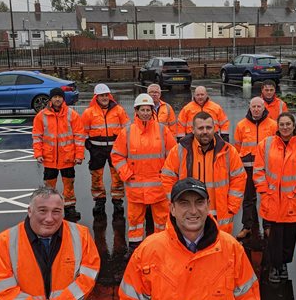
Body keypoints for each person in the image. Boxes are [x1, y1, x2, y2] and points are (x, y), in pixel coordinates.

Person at [119, 177, 260, 300]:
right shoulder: (148, 251)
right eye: (184, 203)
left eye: (199, 202)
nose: (193, 211)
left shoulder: (231, 250)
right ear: (172, 209)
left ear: (208, 205)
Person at [0, 187, 100, 300]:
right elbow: (4, 287)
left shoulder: (81, 235)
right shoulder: (5, 241)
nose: (49, 218)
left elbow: (88, 276)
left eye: (56, 211)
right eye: (43, 211)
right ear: (29, 211)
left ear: (63, 212)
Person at [254, 112, 296, 283]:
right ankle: (275, 266)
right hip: (271, 199)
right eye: (282, 124)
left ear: (294, 125)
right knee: (273, 236)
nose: (285, 127)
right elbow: (258, 170)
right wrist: (264, 190)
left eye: (288, 124)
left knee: (288, 237)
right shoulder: (266, 145)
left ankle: (284, 264)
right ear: (277, 126)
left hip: (292, 201)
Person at [111, 93, 176, 253]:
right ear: (137, 111)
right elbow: (117, 155)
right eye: (143, 109)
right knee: (135, 221)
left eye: (149, 109)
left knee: (161, 220)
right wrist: (126, 174)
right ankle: (135, 249)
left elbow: (173, 155)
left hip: (159, 186)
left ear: (153, 111)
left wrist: (167, 177)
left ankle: (162, 248)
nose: (146, 112)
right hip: (135, 187)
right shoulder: (127, 132)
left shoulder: (163, 131)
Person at [162, 111, 246, 234]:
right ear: (193, 129)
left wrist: (232, 206)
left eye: (208, 127)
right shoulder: (180, 150)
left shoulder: (228, 151)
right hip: (190, 213)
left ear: (215, 129)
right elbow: (167, 177)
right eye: (200, 128)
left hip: (220, 213)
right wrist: (176, 202)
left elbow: (239, 178)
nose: (205, 131)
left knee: (219, 249)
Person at [33, 87, 85, 221]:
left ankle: (69, 208)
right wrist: (38, 153)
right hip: (49, 158)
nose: (57, 99)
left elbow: (79, 136)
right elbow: (37, 137)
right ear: (50, 99)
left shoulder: (71, 115)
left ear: (63, 99)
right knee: (49, 186)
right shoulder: (41, 116)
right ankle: (49, 208)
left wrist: (79, 155)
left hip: (67, 157)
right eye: (55, 97)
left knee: (69, 185)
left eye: (59, 97)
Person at [81, 83, 130, 215]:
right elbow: (83, 132)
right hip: (96, 150)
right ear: (96, 97)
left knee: (117, 175)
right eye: (101, 95)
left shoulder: (119, 110)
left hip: (115, 149)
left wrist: (126, 145)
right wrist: (88, 145)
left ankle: (118, 200)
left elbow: (127, 129)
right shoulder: (89, 112)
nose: (104, 98)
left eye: (106, 95)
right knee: (96, 176)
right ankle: (99, 200)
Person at [233, 97, 277, 240]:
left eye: (259, 106)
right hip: (248, 168)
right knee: (248, 199)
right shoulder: (241, 125)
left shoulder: (273, 125)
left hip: (267, 169)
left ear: (264, 108)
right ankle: (248, 226)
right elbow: (237, 147)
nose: (256, 109)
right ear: (249, 107)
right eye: (254, 107)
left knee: (267, 197)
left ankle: (268, 226)